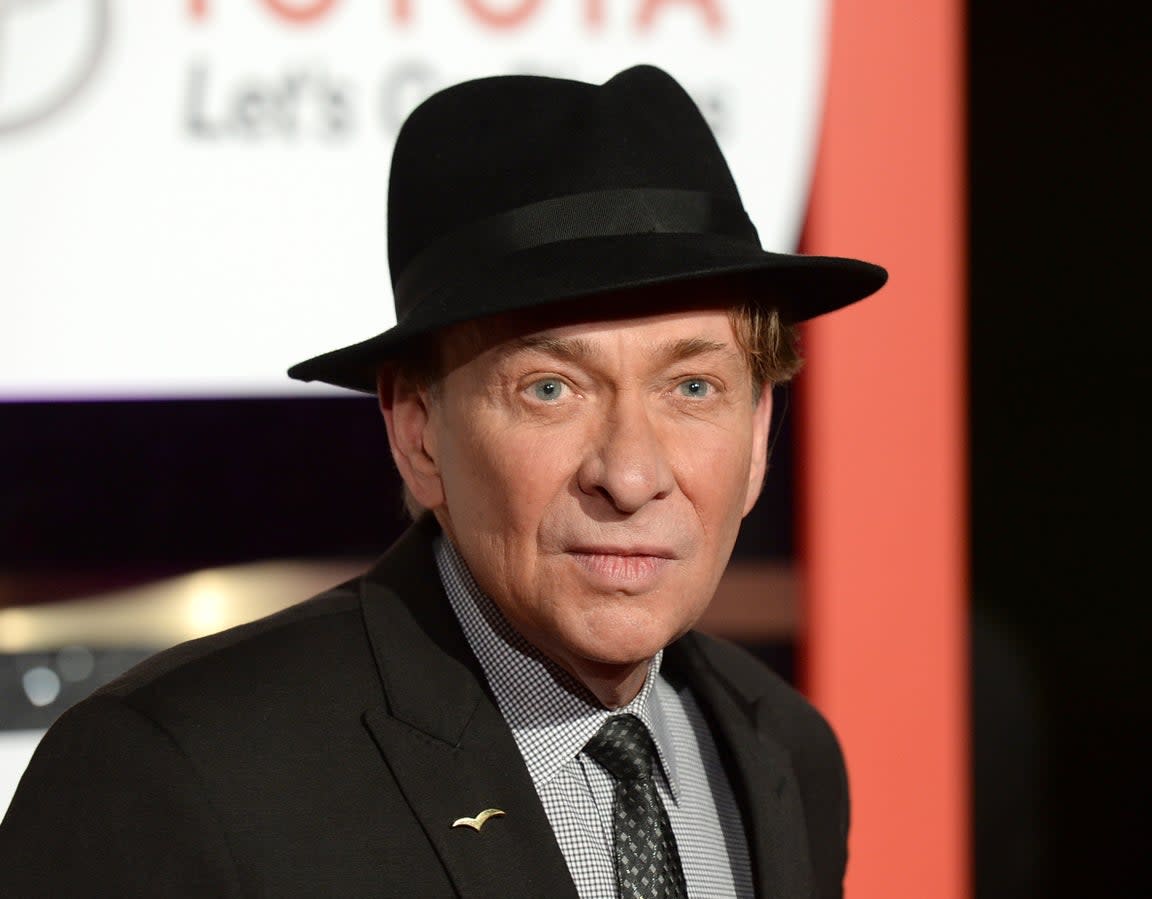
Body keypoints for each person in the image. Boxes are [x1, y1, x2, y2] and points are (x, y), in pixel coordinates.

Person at [0, 65, 885, 898]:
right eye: (550, 389)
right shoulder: (171, 772)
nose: (630, 473)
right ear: (418, 430)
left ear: (760, 431)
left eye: (693, 388)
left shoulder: (788, 752)